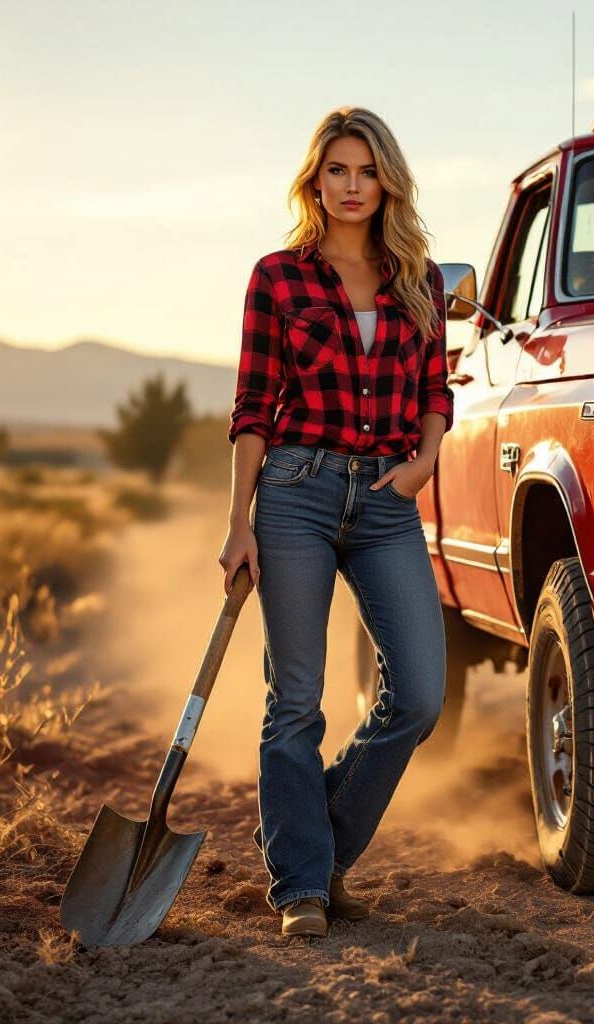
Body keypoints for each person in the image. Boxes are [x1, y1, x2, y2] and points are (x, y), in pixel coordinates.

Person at [218, 106, 455, 938]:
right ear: (315, 182)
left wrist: (425, 461)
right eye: (337, 172)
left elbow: (436, 393)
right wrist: (238, 522)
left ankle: (310, 842)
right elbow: (252, 409)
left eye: (366, 170)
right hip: (295, 490)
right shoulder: (277, 277)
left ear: (387, 178)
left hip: (388, 501)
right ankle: (304, 888)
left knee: (420, 694)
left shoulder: (419, 279)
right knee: (297, 703)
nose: (352, 186)